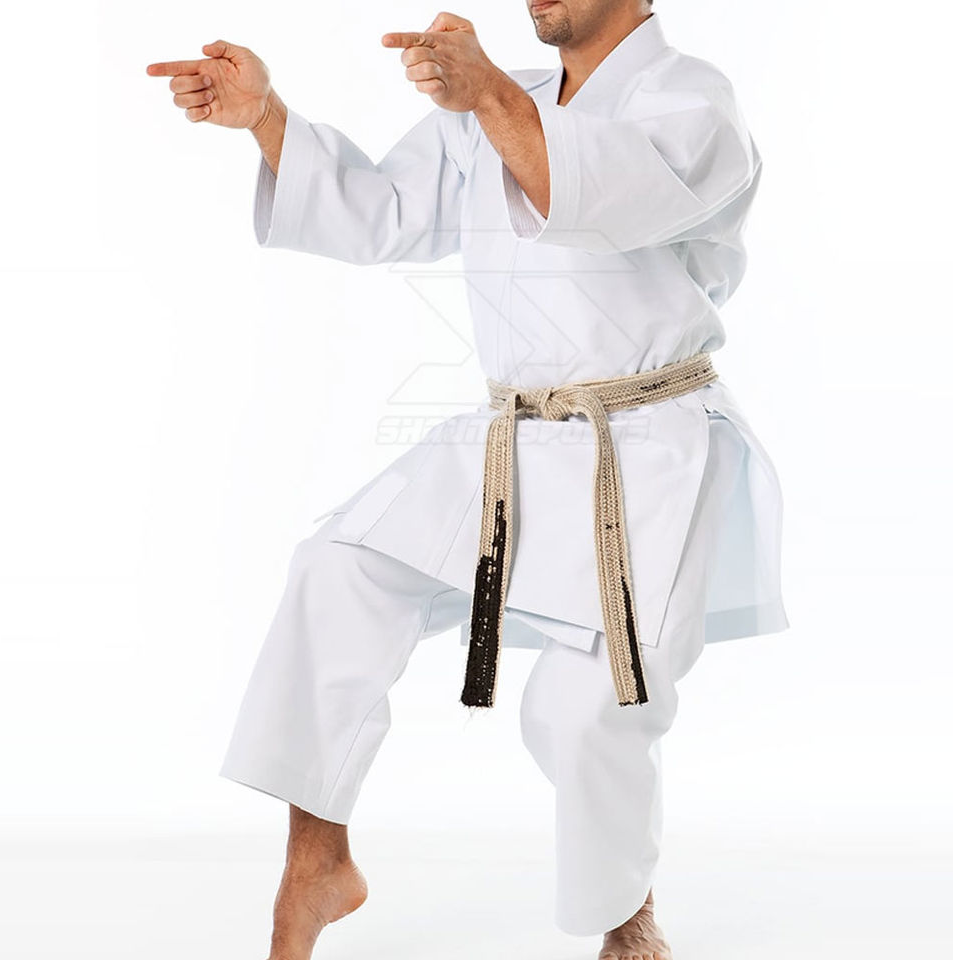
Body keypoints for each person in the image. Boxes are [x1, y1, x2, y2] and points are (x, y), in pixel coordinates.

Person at [147, 3, 788, 958]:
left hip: (647, 445)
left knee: (581, 712)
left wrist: (484, 93)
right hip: (512, 436)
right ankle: (319, 861)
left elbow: (596, 202)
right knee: (338, 569)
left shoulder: (693, 101)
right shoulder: (503, 102)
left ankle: (627, 919)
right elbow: (381, 214)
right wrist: (268, 118)